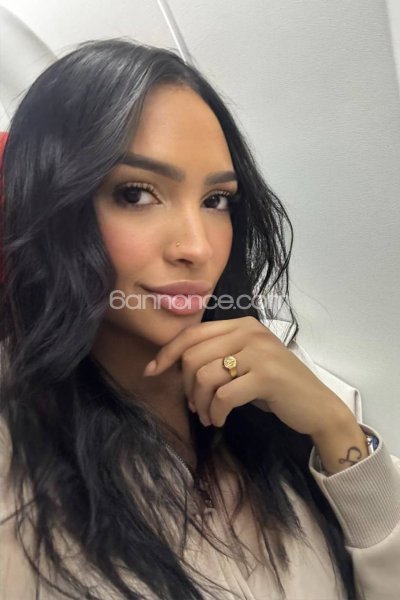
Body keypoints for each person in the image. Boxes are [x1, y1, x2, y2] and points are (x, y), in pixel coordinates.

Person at [0, 38, 399, 600]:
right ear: (52, 207)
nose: (197, 247)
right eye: (136, 194)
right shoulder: (18, 475)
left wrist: (337, 432)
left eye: (216, 201)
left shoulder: (273, 386)